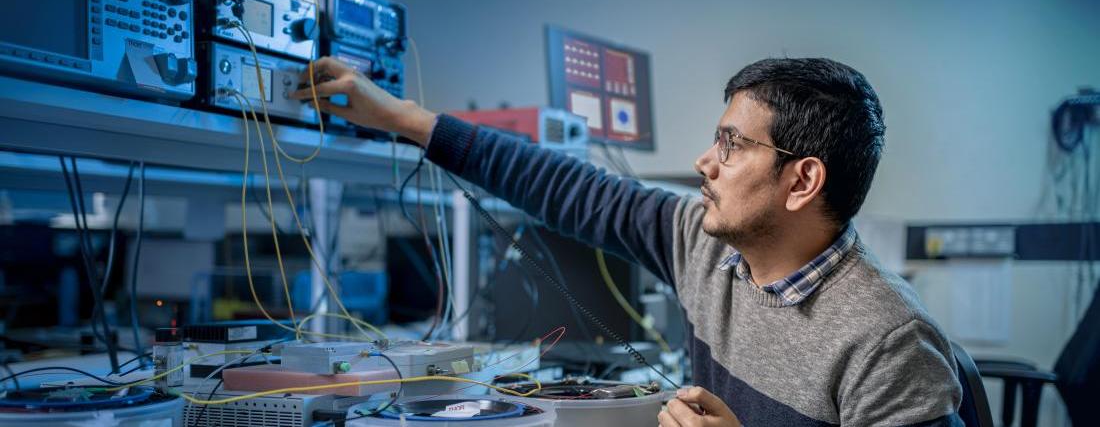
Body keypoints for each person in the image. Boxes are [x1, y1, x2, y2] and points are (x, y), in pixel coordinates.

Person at [293, 57, 963, 426]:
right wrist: (401, 118)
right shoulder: (702, 246)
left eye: (732, 144)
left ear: (801, 181)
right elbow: (559, 185)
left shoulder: (888, 339)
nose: (706, 160)